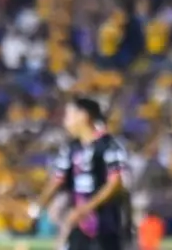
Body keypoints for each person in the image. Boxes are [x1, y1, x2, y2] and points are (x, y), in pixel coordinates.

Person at [33, 97, 130, 250]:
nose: (65, 121)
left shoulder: (108, 145)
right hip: (79, 221)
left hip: (105, 221)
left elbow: (115, 183)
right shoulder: (71, 147)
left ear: (83, 116)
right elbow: (57, 179)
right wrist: (37, 206)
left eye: (69, 115)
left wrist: (86, 208)